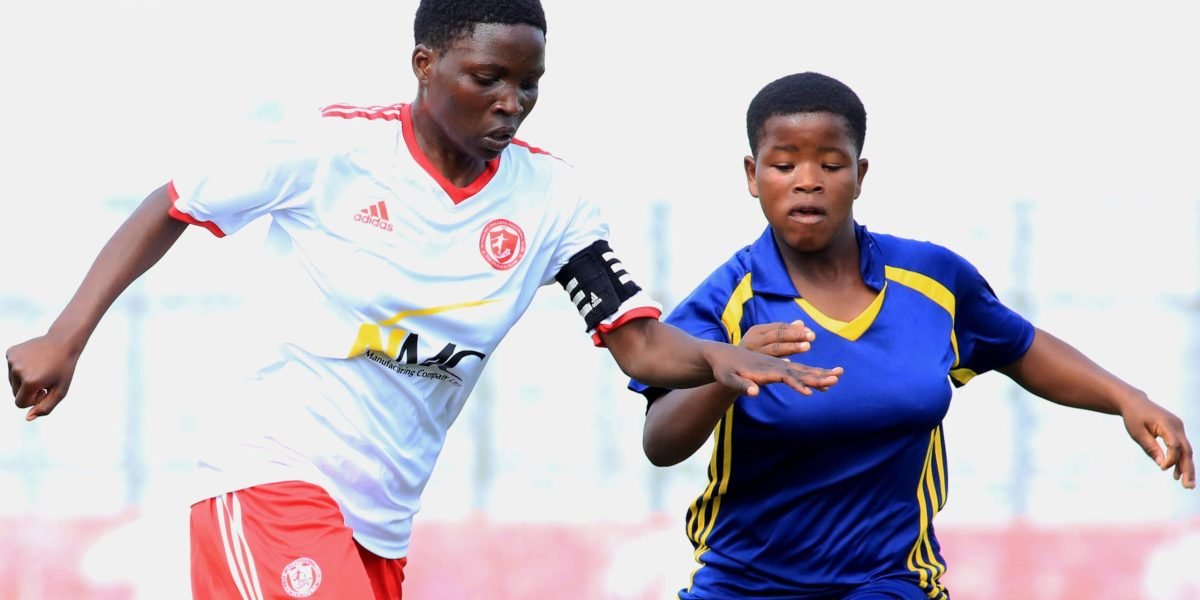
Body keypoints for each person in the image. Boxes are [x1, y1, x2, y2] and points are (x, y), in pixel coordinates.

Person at [3, 4, 845, 600]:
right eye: (488, 77)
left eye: (529, 84)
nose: (510, 102)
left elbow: (636, 344)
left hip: (380, 524)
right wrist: (67, 338)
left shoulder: (550, 200)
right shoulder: (328, 147)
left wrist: (717, 358)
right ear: (425, 65)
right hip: (269, 480)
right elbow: (175, 202)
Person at [628, 71, 1195, 599]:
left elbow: (1019, 347)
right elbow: (661, 443)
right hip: (746, 582)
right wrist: (726, 375)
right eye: (783, 166)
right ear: (753, 176)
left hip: (889, 580)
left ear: (860, 175)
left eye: (830, 164)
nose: (807, 182)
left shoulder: (932, 282)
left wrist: (1127, 398)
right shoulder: (727, 302)